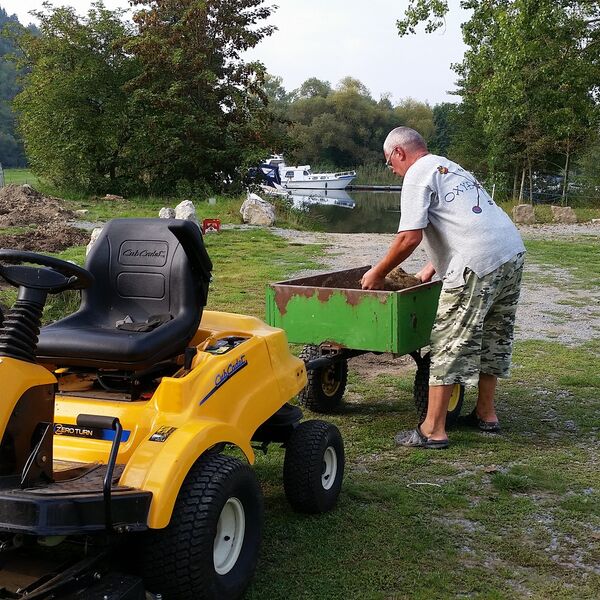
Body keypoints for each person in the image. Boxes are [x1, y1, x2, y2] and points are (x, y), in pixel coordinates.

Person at [361, 127, 525, 449]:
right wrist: (429, 269)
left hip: (477, 263)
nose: (392, 170)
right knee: (493, 336)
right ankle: (486, 413)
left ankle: (433, 430)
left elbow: (409, 238)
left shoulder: (416, 174)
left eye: (389, 162)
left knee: (448, 341)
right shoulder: (447, 167)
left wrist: (377, 273)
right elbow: (464, 224)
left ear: (399, 152)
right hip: (511, 253)